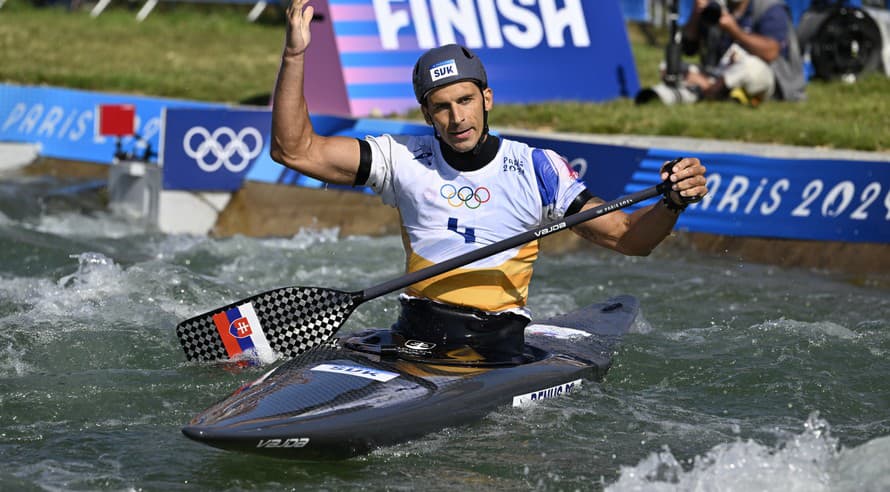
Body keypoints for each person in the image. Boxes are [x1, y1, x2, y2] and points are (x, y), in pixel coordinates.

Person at [271, 1, 708, 365]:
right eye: (441, 107)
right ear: (427, 115)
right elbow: (295, 150)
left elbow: (629, 239)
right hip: (415, 332)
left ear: (487, 98)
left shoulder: (539, 169)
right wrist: (295, 55)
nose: (457, 118)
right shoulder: (401, 157)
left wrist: (672, 202)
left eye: (465, 100)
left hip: (496, 344)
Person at [680, 0, 806, 105]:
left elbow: (771, 52)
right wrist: (697, 14)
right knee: (671, 68)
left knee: (751, 67)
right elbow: (689, 50)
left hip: (766, 76)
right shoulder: (717, 6)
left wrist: (735, 31)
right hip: (720, 72)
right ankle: (717, 91)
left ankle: (709, 90)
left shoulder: (770, 7)